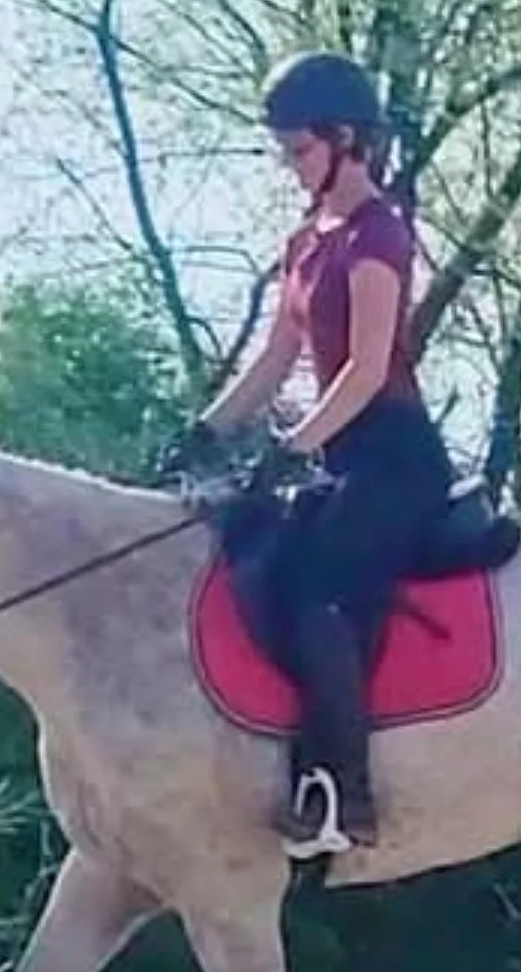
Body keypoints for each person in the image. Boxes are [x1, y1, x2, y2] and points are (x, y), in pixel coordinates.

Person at [184, 49, 456, 857]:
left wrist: (291, 448)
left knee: (319, 592)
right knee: (255, 557)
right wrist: (206, 429)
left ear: (346, 141)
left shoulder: (380, 237)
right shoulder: (306, 241)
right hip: (337, 453)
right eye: (285, 153)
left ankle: (344, 790)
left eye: (299, 150)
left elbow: (368, 369)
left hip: (393, 456)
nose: (291, 167)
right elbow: (273, 360)